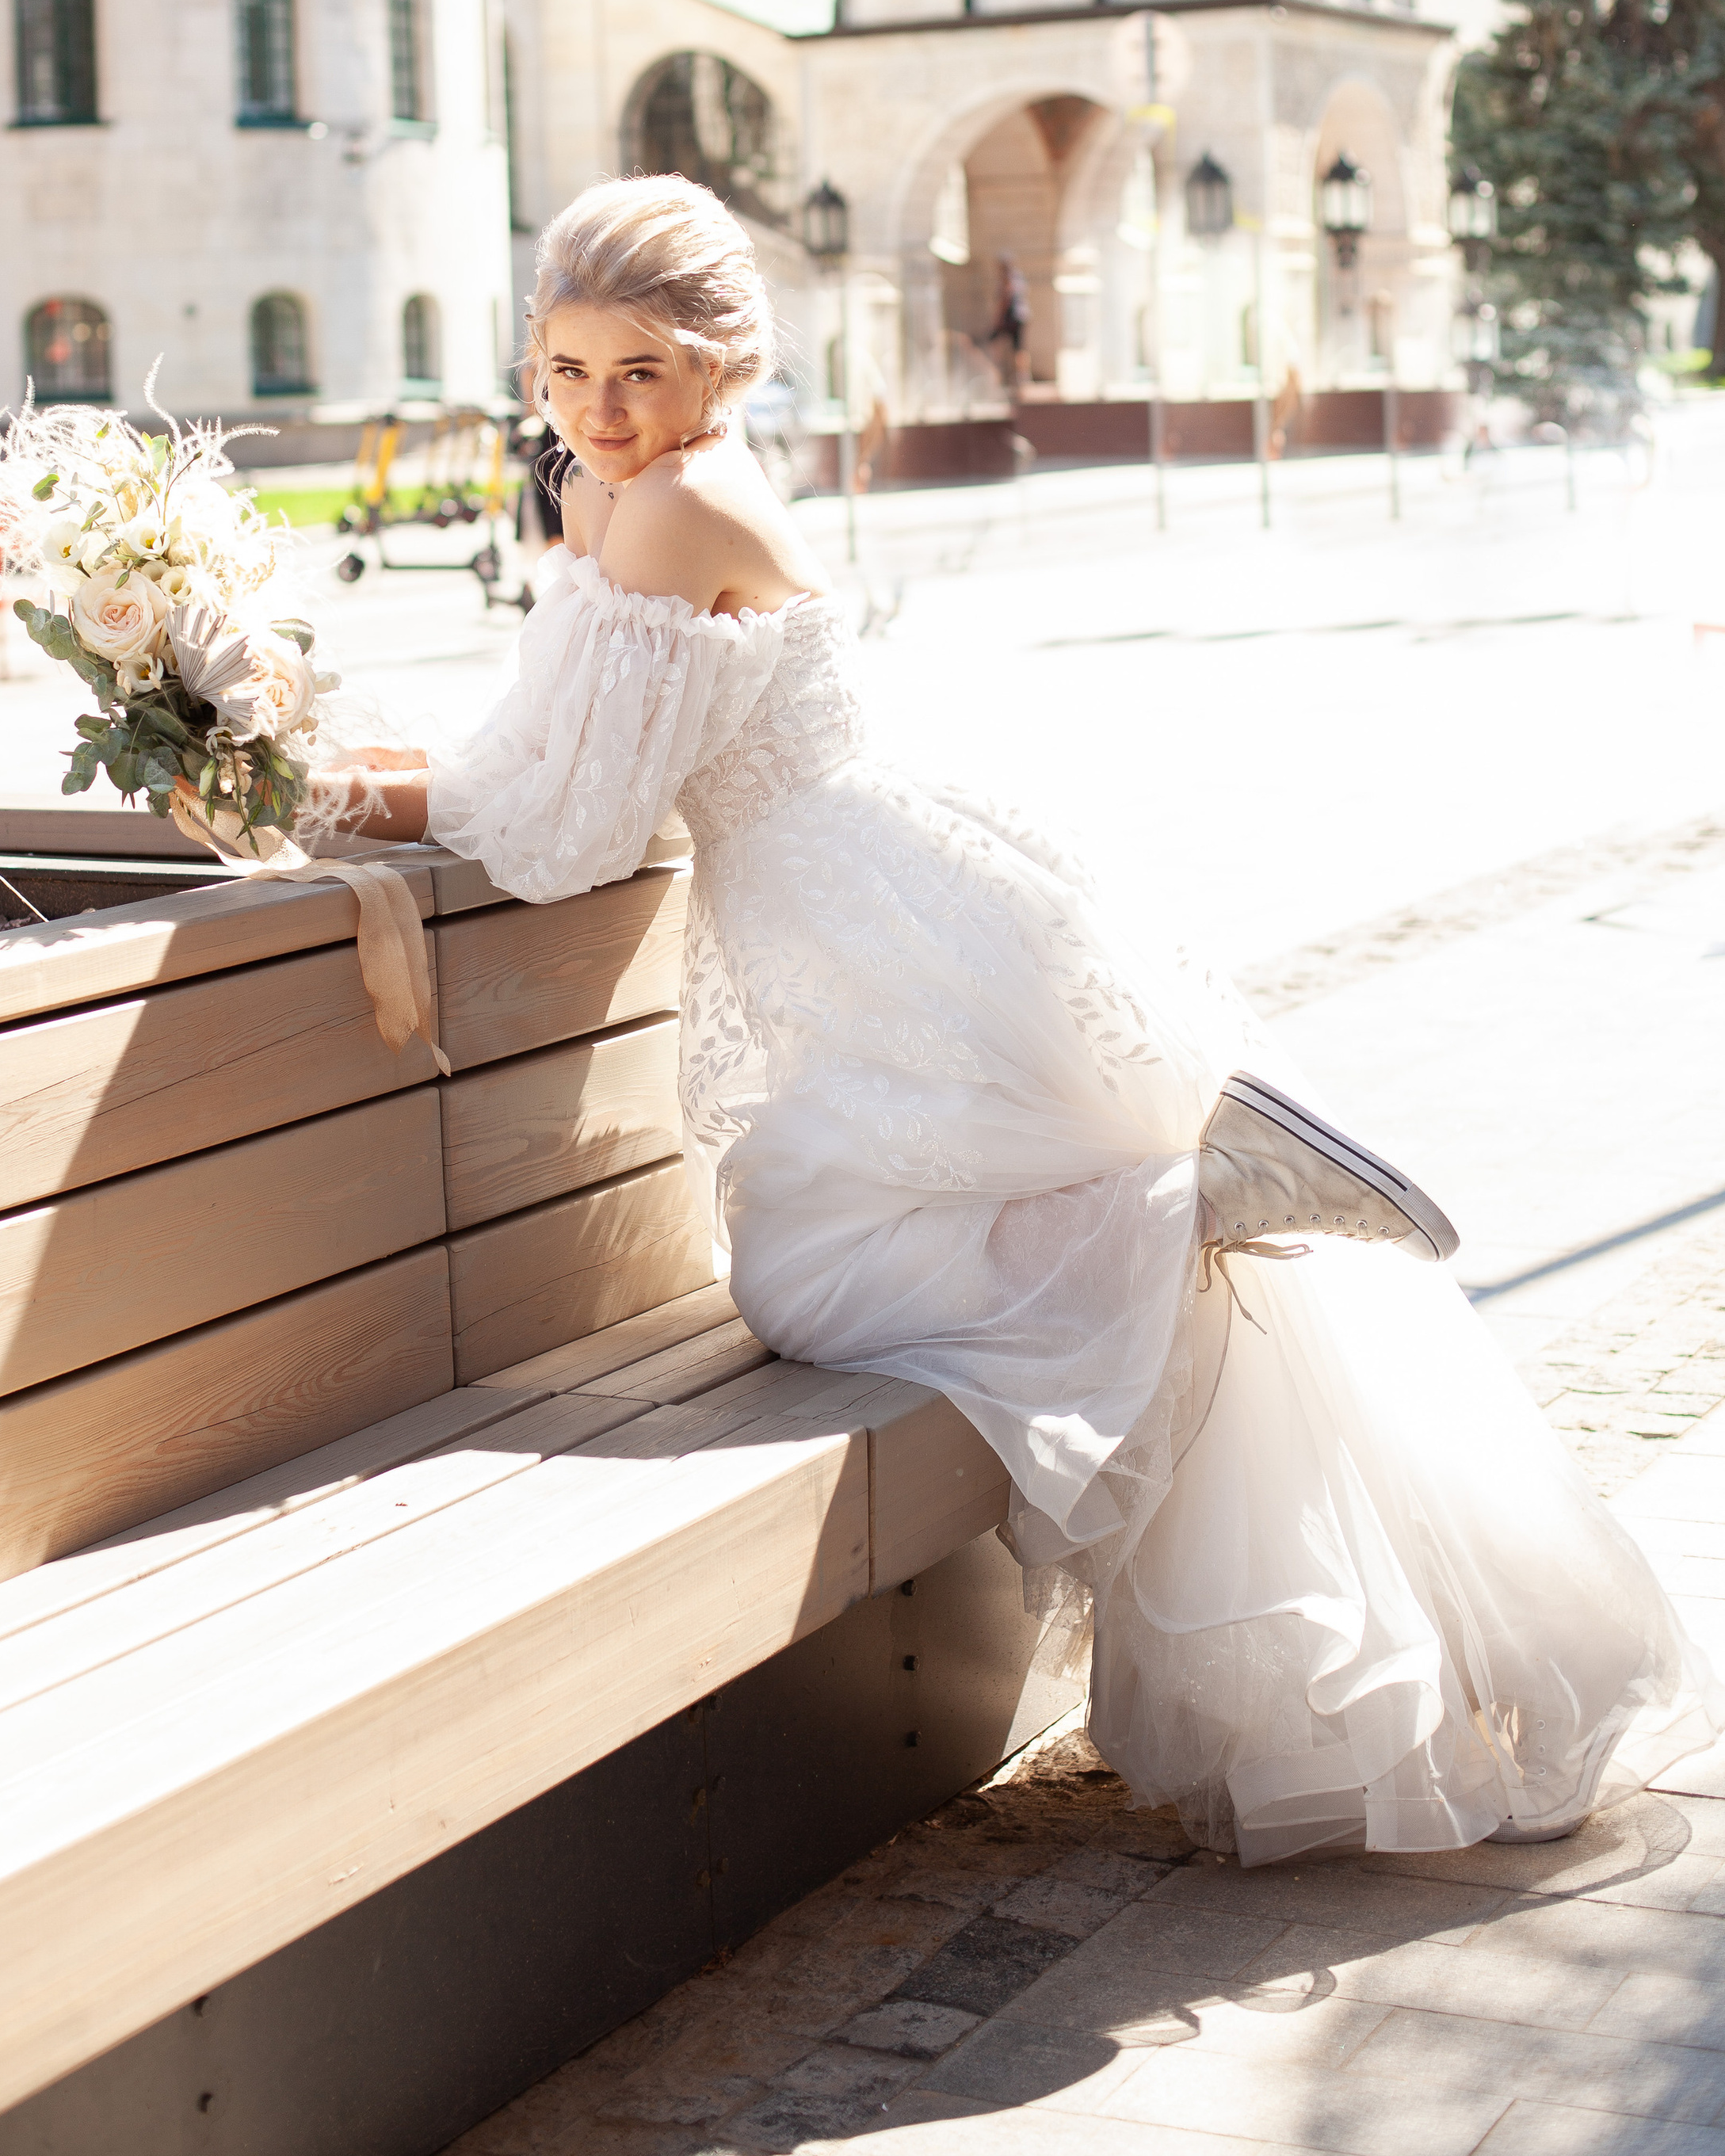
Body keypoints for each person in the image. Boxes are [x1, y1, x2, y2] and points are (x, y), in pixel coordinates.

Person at [312, 176, 1721, 1866]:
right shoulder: (649, 491)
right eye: (563, 371)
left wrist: (326, 794)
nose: (596, 411)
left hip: (868, 927)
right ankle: (1181, 1194)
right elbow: (539, 758)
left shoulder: (670, 509)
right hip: (887, 893)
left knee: (812, 1283)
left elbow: (569, 828)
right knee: (832, 1269)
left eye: (638, 371)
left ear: (718, 366)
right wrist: (340, 763)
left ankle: (1175, 1201)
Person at [989, 254, 1031, 393]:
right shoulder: (1018, 277)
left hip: (1011, 317)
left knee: (996, 343)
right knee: (1018, 348)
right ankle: (1020, 376)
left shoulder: (1008, 278)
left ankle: (1000, 375)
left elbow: (1006, 298)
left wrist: (998, 318)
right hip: (1019, 317)